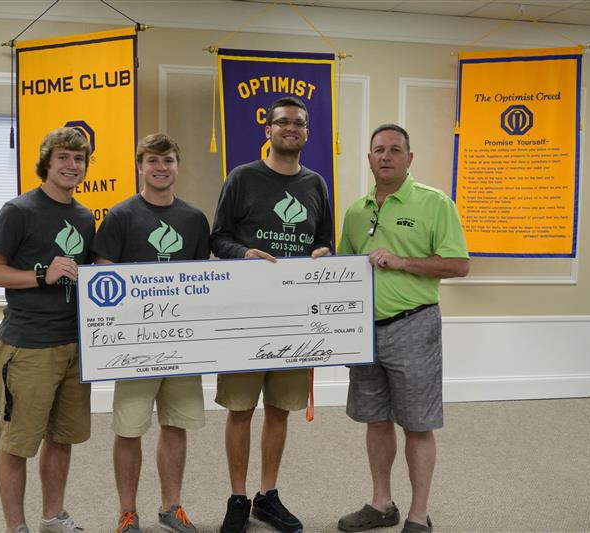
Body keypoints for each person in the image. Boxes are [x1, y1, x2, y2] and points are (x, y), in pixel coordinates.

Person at [336, 124, 470, 533]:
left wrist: (403, 261)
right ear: (370, 157)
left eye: (395, 150)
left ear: (409, 158)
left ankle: (418, 514)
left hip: (414, 327)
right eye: (378, 150)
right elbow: (343, 269)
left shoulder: (434, 203)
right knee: (376, 420)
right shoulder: (356, 211)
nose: (386, 156)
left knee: (416, 424)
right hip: (365, 333)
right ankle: (381, 504)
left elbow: (459, 264)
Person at [210, 96, 333, 533]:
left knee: (280, 409)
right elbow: (218, 237)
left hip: (295, 318)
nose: (290, 128)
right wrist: (244, 252)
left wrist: (323, 253)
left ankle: (268, 495)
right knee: (241, 409)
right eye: (282, 122)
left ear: (307, 132)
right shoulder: (242, 178)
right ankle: (239, 497)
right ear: (268, 130)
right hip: (246, 314)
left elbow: (326, 242)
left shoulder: (316, 184)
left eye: (298, 123)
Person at [91, 133, 210, 533]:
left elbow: (203, 282)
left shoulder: (194, 220)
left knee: (175, 425)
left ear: (178, 166)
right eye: (153, 161)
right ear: (139, 166)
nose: (161, 168)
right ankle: (128, 511)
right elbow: (102, 281)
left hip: (180, 344)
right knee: (129, 429)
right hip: (134, 347)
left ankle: (170, 506)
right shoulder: (121, 216)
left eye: (169, 161)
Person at [0, 127, 96, 533]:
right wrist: (42, 274)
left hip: (75, 345)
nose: (71, 165)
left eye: (79, 159)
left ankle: (52, 517)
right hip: (28, 346)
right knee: (18, 444)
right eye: (63, 157)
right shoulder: (19, 210)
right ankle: (17, 527)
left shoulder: (84, 217)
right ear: (46, 162)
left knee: (61, 438)